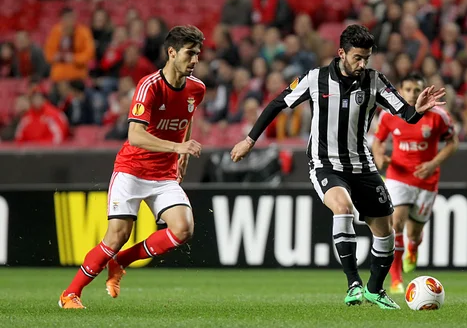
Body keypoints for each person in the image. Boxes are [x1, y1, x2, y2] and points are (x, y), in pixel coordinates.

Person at [230, 25, 445, 309]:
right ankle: (353, 284)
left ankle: (374, 289)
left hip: (362, 165)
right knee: (342, 208)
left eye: (366, 58)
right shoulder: (315, 78)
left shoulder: (375, 81)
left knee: (385, 230)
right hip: (325, 163)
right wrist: (249, 140)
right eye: (357, 57)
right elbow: (277, 103)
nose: (362, 63)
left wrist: (417, 109)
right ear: (341, 52)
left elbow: (405, 114)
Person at [58, 26, 206, 309]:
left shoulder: (196, 89)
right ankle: (70, 294)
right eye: (189, 53)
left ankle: (121, 262)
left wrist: (182, 153)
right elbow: (135, 136)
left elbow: (186, 119)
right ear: (171, 52)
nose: (195, 60)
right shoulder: (149, 86)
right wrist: (178, 148)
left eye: (197, 54)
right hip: (132, 170)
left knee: (183, 229)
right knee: (117, 236)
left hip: (163, 174)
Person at [371, 72, 458, 294]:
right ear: (400, 92)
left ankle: (413, 248)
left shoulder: (438, 116)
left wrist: (433, 164)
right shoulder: (389, 115)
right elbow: (377, 142)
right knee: (396, 223)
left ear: (424, 92)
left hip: (427, 179)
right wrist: (380, 157)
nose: (411, 94)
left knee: (415, 232)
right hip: (398, 176)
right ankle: (396, 280)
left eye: (416, 90)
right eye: (408, 90)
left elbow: (452, 142)